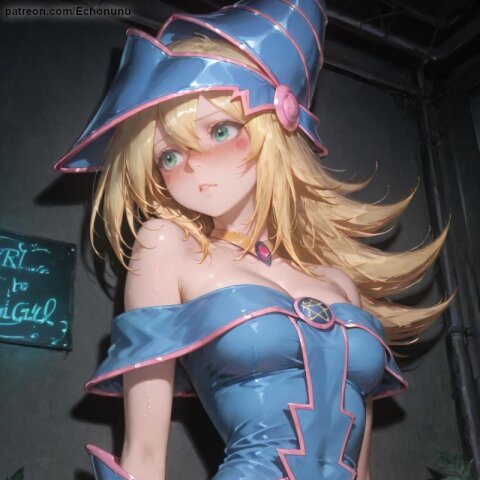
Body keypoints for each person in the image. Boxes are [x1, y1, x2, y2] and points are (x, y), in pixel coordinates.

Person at [54, 1, 449, 479]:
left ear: (274, 129)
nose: (195, 166)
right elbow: (144, 453)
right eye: (169, 158)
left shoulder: (338, 282)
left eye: (220, 130)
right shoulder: (167, 247)